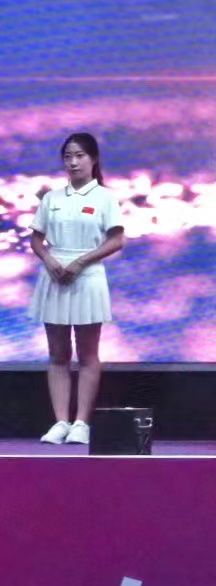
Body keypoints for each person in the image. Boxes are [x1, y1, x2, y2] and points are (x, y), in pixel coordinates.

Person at [30, 134, 124, 446]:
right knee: (58, 354)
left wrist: (82, 261)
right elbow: (36, 240)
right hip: (55, 276)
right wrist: (49, 260)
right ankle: (60, 421)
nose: (73, 162)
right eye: (68, 156)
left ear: (93, 159)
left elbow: (116, 240)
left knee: (87, 353)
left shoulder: (105, 198)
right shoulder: (52, 198)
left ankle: (82, 422)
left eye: (80, 155)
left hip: (88, 276)